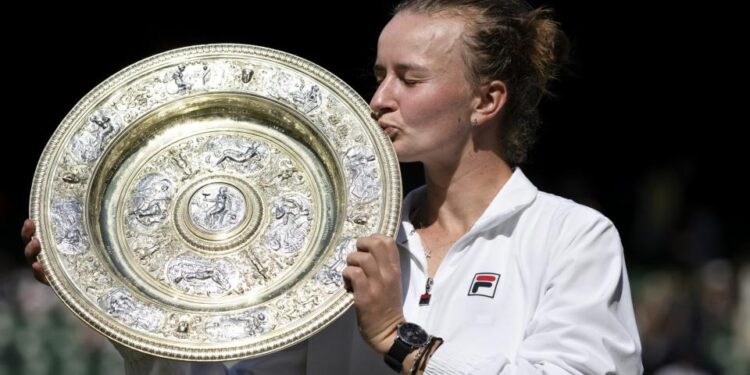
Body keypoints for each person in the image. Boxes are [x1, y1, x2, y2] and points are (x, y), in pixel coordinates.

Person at [22, 0, 643, 373]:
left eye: (409, 78)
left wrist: (398, 338)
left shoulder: (571, 237)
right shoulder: (341, 238)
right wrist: (126, 311)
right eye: (378, 75)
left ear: (486, 99)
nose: (379, 99)